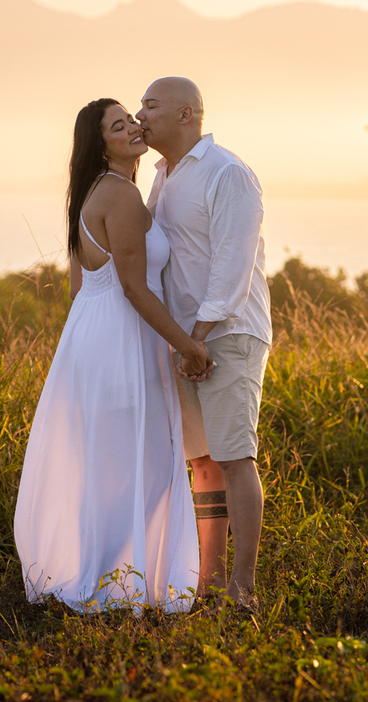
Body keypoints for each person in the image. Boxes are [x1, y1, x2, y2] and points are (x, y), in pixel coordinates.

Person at [14, 98, 211, 612]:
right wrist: (187, 344)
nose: (132, 127)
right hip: (122, 339)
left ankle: (111, 575)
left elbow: (81, 288)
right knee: (138, 459)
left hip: (93, 339)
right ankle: (116, 583)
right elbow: (134, 288)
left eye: (132, 119)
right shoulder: (120, 196)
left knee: (116, 462)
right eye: (118, 126)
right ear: (101, 144)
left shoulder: (93, 194)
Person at [138, 77, 272, 607]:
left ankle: (243, 587)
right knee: (203, 462)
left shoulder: (227, 173)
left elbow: (232, 269)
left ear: (187, 113)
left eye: (151, 105)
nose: (140, 113)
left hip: (228, 335)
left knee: (236, 457)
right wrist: (179, 343)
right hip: (187, 341)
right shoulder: (163, 175)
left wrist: (197, 340)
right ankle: (209, 578)